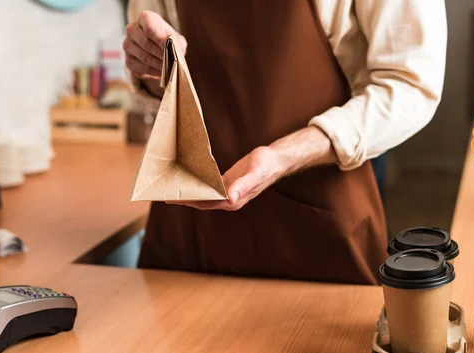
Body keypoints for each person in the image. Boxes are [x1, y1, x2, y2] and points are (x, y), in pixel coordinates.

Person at [124, 0, 447, 284]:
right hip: (190, 214)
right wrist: (152, 64)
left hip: (319, 218)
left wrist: (286, 155)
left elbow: (410, 85)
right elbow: (159, 79)